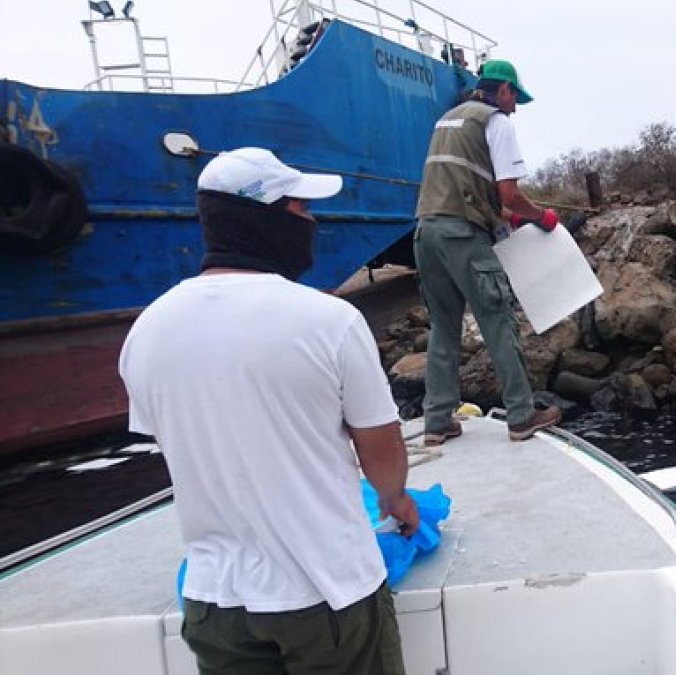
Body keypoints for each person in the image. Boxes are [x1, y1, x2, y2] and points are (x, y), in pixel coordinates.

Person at [119, 147, 419, 674]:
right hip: (328, 593)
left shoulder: (146, 332)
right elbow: (380, 446)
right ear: (263, 218)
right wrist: (395, 499)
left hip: (215, 603)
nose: (312, 222)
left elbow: (182, 448)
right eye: (302, 208)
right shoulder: (329, 321)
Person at [414, 58, 562, 447]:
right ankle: (521, 416)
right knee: (498, 320)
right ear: (504, 90)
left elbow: (475, 192)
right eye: (515, 99)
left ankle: (437, 422)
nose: (515, 108)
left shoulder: (448, 121)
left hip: (426, 233)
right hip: (463, 235)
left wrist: (514, 218)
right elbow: (509, 194)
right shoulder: (496, 121)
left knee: (443, 326)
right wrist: (540, 216)